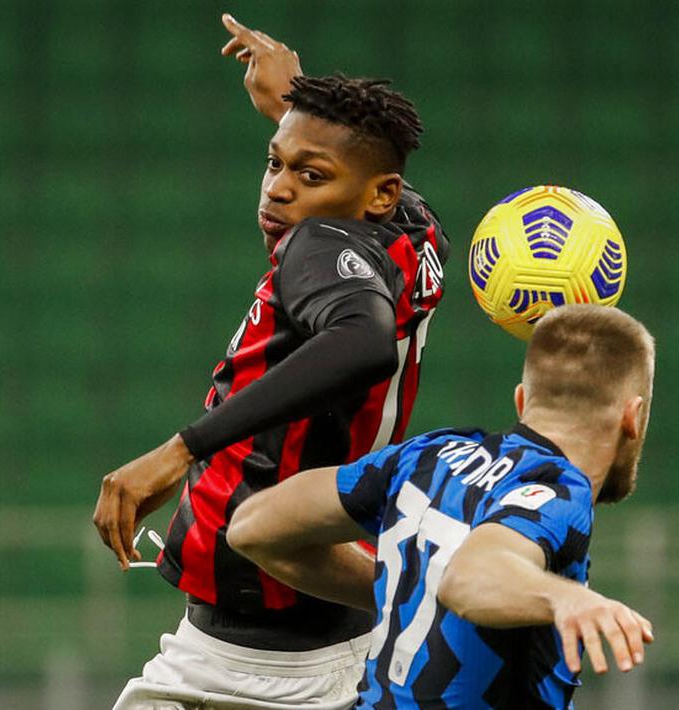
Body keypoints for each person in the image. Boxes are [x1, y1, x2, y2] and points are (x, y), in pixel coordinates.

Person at [93, 14, 449, 710]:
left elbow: (361, 340)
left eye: (309, 175)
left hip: (256, 668)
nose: (279, 189)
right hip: (334, 649)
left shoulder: (316, 244)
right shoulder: (415, 227)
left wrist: (179, 449)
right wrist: (297, 105)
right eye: (274, 162)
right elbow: (366, 173)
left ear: (376, 193)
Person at [228, 304, 657, 709]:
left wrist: (407, 583)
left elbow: (252, 527)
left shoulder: (429, 457)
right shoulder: (560, 492)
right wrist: (568, 598)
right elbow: (471, 577)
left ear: (522, 400)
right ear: (633, 417)